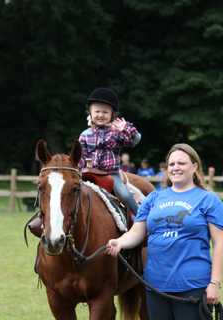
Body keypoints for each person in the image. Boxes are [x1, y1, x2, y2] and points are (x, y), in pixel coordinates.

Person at [107, 143, 223, 320]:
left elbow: (219, 241)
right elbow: (138, 231)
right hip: (155, 285)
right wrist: (120, 242)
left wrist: (214, 283)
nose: (175, 167)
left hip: (192, 286)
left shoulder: (208, 200)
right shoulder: (154, 198)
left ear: (194, 167)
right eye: (172, 164)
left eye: (181, 163)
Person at [79, 87, 141, 214]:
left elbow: (133, 141)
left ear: (112, 114)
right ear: (90, 112)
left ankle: (141, 218)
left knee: (125, 195)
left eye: (105, 112)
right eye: (97, 111)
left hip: (111, 174)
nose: (100, 115)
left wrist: (126, 128)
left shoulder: (116, 132)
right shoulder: (85, 135)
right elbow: (81, 156)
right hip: (88, 173)